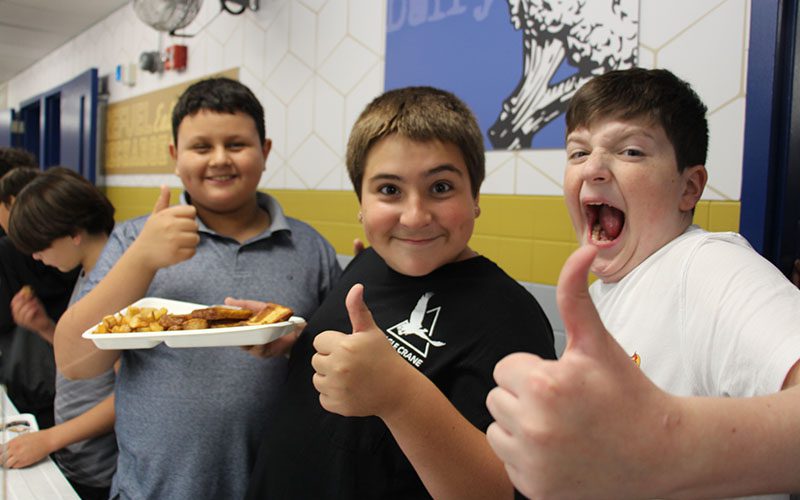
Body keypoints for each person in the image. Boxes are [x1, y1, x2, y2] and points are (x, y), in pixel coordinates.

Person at [485, 68, 800, 498]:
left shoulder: (706, 266)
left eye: (631, 151)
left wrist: (668, 446)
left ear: (689, 188)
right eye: (577, 153)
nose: (593, 168)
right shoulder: (604, 293)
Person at [245, 86, 556, 499]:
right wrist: (294, 342)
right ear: (360, 201)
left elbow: (510, 491)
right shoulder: (367, 263)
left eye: (441, 187)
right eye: (389, 190)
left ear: (476, 196)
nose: (414, 217)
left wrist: (399, 396)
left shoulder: (512, 318)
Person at [53, 77, 342, 499]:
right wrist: (143, 258)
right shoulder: (133, 239)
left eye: (237, 145)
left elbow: (335, 359)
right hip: (153, 489)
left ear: (265, 151)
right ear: (175, 156)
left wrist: (297, 342)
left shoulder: (310, 247)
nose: (220, 160)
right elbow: (74, 362)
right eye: (201, 147)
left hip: (276, 483)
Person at [4, 167, 117, 500]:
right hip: (78, 454)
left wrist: (49, 439)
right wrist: (47, 329)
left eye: (40, 246)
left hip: (100, 466)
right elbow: (96, 355)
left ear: (73, 232)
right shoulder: (90, 271)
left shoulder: (114, 284)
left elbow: (132, 395)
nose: (37, 257)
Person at [0, 166, 78, 429]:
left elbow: (112, 379)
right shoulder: (86, 274)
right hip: (62, 391)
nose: (35, 255)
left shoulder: (98, 279)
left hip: (45, 387)